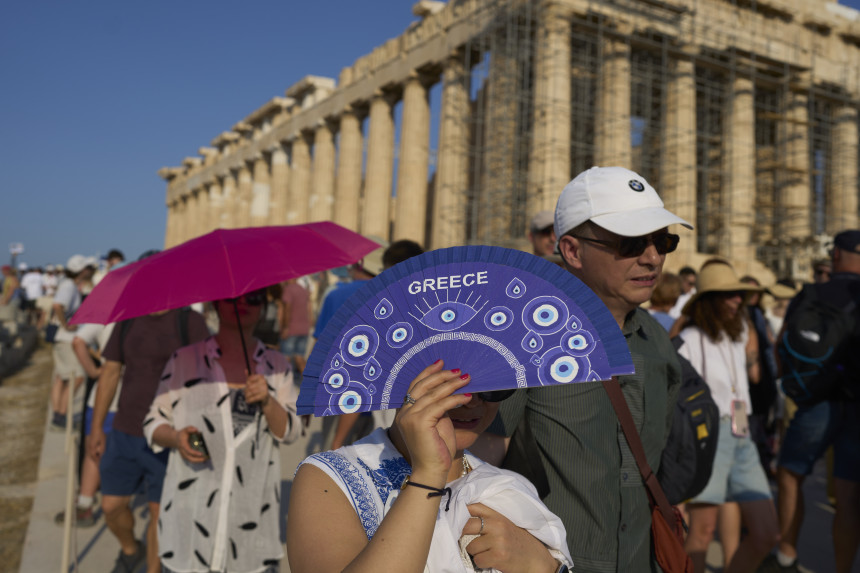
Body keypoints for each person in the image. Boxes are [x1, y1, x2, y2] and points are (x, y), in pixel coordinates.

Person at [474, 166, 688, 571]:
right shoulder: (523, 337)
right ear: (572, 251)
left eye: (662, 241)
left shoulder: (658, 343)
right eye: (630, 243)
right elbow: (477, 466)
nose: (653, 257)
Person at [287, 360, 572, 573]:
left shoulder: (508, 487)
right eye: (448, 383)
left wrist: (544, 566)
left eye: (493, 384)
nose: (472, 401)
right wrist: (428, 475)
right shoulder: (329, 479)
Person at [144, 289, 301, 573]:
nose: (242, 303)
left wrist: (268, 401)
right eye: (232, 297)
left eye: (253, 297)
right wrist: (176, 438)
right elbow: (153, 422)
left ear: (263, 307)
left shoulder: (277, 366)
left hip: (251, 532)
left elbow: (292, 431)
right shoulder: (184, 359)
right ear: (216, 303)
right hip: (189, 526)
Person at [87, 293, 210, 573]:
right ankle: (131, 550)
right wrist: (97, 428)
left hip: (169, 434)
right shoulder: (128, 319)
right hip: (124, 430)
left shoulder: (189, 321)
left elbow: (207, 372)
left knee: (159, 513)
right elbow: (110, 372)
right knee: (111, 506)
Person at [763, 230, 860, 573]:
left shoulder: (813, 292)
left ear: (835, 256)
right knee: (847, 495)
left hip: (818, 399)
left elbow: (782, 345)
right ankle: (844, 568)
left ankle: (787, 552)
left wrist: (792, 386)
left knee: (790, 475)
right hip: (856, 405)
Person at [676, 260, 779, 572]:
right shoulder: (690, 340)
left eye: (740, 294)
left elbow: (754, 375)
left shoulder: (739, 332)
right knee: (702, 534)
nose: (739, 299)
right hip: (709, 436)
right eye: (730, 294)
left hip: (742, 432)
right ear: (710, 300)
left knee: (766, 534)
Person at [328, 239, 425, 450]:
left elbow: (360, 388)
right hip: (426, 441)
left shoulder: (383, 321)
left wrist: (337, 442)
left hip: (388, 444)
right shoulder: (440, 317)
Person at [50, 255, 97, 430]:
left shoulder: (69, 285)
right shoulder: (69, 286)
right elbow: (57, 306)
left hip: (61, 339)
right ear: (81, 270)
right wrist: (66, 325)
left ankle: (57, 413)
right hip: (66, 338)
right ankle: (62, 414)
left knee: (61, 378)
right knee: (77, 376)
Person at [279, 277, 311, 374]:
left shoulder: (288, 290)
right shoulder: (303, 290)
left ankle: (284, 384)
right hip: (304, 329)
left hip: (291, 329)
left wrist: (285, 327)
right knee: (299, 358)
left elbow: (287, 309)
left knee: (285, 359)